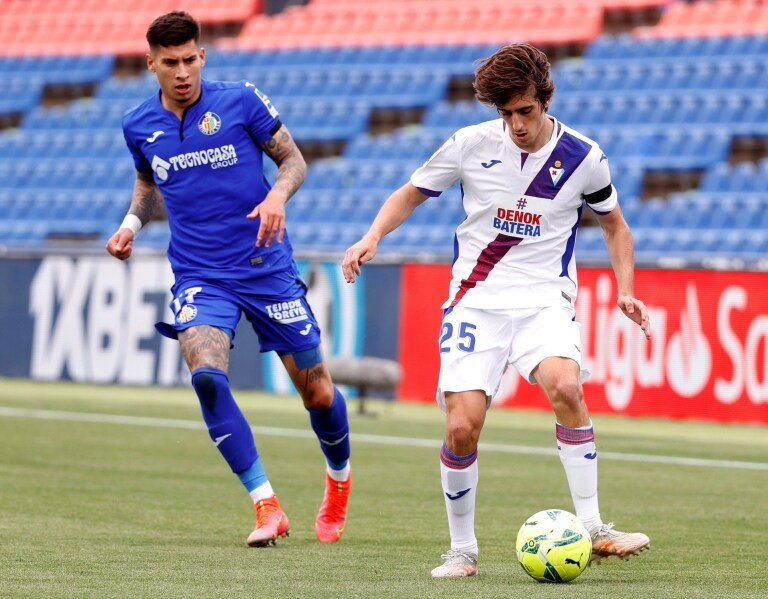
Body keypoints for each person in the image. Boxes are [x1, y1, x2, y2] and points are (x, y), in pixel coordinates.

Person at [342, 43, 652, 577]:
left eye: (525, 111)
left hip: (543, 299)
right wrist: (372, 236)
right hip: (475, 300)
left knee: (567, 386)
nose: (517, 125)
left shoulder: (584, 156)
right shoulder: (469, 144)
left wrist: (626, 288)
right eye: (506, 114)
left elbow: (614, 224)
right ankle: (462, 551)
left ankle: (595, 527)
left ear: (545, 99)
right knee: (462, 428)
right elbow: (411, 193)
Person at [106, 11, 351, 547]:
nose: (182, 72)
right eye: (170, 63)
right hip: (200, 274)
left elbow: (293, 160)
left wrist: (276, 196)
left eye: (190, 59)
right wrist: (130, 224)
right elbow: (149, 182)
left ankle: (338, 483)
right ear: (151, 64)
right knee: (207, 376)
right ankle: (266, 503)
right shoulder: (137, 124)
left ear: (202, 57)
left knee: (317, 394)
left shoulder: (240, 100)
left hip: (266, 267)